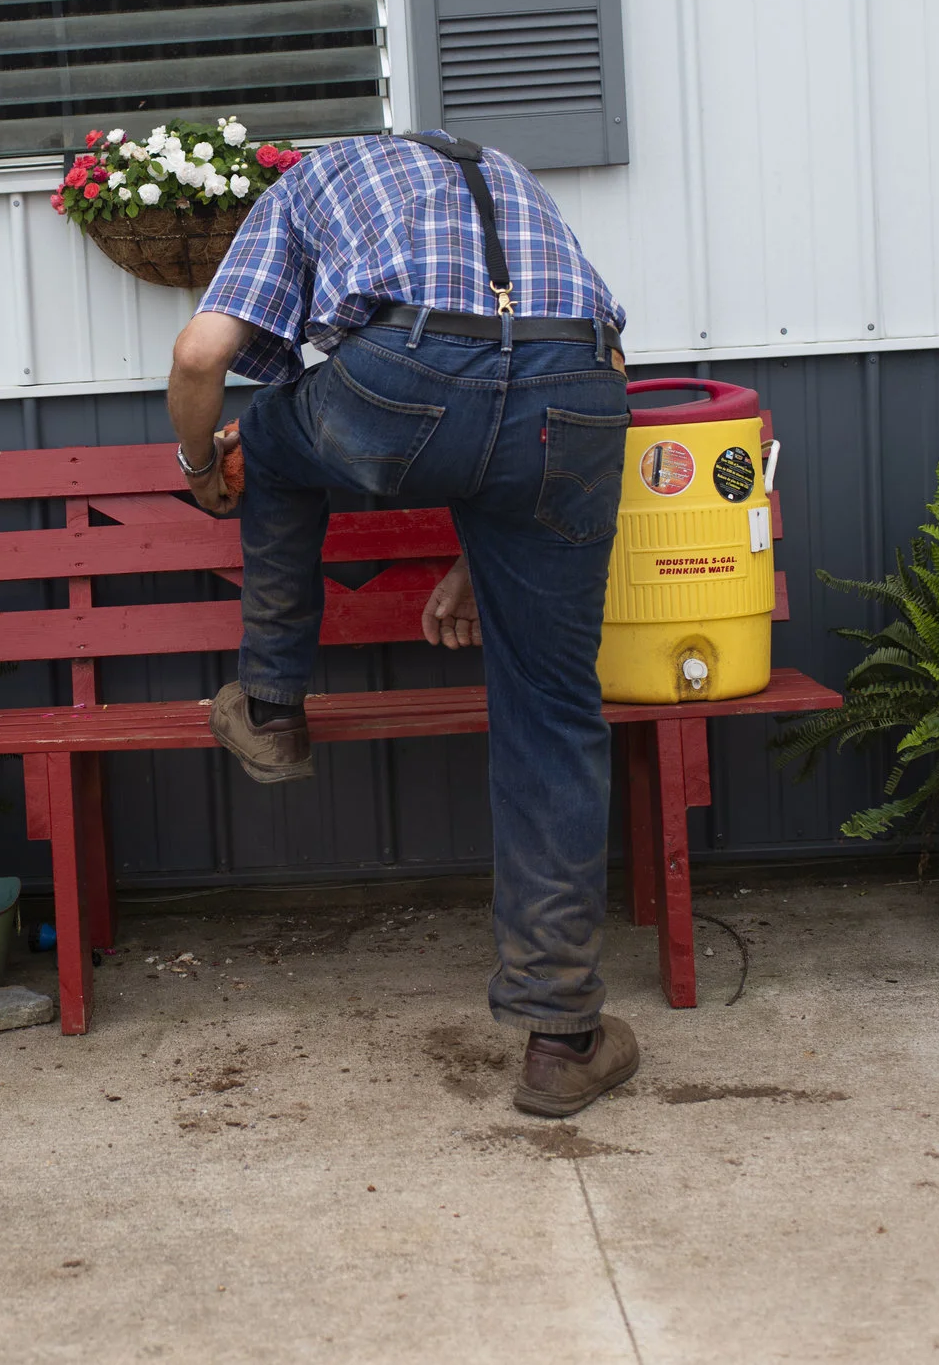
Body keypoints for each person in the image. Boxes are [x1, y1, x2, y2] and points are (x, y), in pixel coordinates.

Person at [162, 131, 637, 1119]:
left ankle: (273, 706)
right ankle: (561, 1038)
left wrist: (205, 470)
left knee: (273, 441)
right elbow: (581, 369)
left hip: (407, 379)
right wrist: (485, 552)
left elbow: (201, 352)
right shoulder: (506, 170)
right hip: (582, 397)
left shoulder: (308, 182)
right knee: (553, 711)